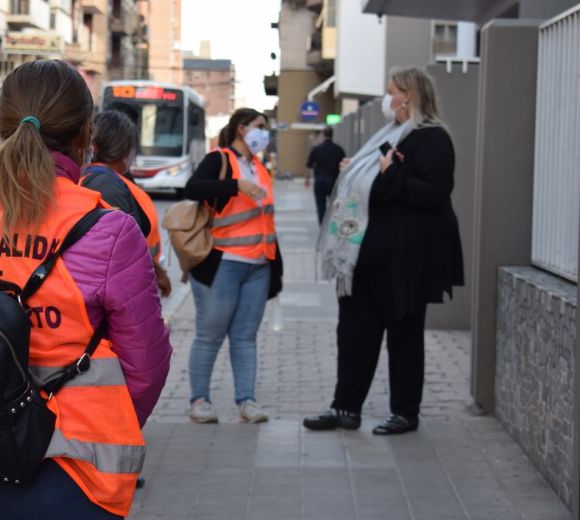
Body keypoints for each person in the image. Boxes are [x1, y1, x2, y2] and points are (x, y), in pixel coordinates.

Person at [0, 59, 172, 519]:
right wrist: (110, 424)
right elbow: (146, 366)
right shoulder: (107, 228)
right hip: (67, 472)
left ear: (1, 126)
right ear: (84, 136)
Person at [303, 67, 463, 435]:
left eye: (391, 91)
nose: (387, 98)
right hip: (365, 259)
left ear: (408, 95)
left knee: (404, 338)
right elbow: (374, 179)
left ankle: (405, 413)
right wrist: (356, 171)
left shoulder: (432, 139)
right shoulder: (389, 134)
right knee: (355, 333)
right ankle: (345, 408)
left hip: (405, 261)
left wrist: (390, 174)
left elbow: (433, 193)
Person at [183, 108, 283, 424]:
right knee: (209, 336)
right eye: (259, 127)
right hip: (224, 264)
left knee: (245, 337)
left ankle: (247, 402)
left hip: (258, 266)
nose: (264, 134)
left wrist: (275, 269)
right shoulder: (220, 159)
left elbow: (267, 220)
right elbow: (193, 188)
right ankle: (199, 401)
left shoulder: (259, 167)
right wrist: (235, 186)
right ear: (241, 129)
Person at [81, 110, 171, 297]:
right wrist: (158, 273)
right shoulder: (107, 185)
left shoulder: (98, 176)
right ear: (126, 149)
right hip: (123, 290)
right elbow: (129, 246)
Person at [305, 126, 346, 225]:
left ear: (323, 135)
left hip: (319, 181)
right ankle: (332, 224)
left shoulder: (316, 149)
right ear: (332, 135)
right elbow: (344, 165)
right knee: (333, 205)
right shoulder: (338, 149)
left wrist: (307, 179)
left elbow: (309, 165)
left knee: (320, 205)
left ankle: (322, 225)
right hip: (333, 180)